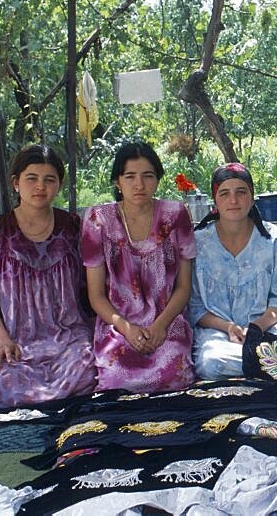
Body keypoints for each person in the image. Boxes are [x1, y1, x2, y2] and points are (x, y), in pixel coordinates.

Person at [0, 145, 96, 407]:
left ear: (59, 185)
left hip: (67, 336)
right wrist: (3, 341)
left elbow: (88, 289)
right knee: (1, 388)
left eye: (49, 179)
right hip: (14, 337)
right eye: (32, 178)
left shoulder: (73, 228)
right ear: (16, 183)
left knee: (89, 372)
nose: (40, 186)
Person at [82, 141, 196, 392]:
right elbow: (96, 295)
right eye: (130, 176)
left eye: (148, 176)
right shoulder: (98, 220)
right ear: (117, 181)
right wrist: (127, 328)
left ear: (157, 179)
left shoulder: (175, 214)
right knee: (116, 382)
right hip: (118, 324)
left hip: (167, 320)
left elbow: (184, 287)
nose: (139, 185)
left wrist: (159, 326)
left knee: (174, 378)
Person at [190, 163, 277, 379]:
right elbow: (195, 306)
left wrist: (256, 327)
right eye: (225, 193)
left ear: (252, 196)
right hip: (218, 332)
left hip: (267, 327)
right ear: (215, 200)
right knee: (212, 363)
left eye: (241, 192)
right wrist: (228, 327)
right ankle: (265, 369)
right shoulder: (197, 243)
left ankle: (263, 365)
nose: (233, 200)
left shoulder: (275, 240)